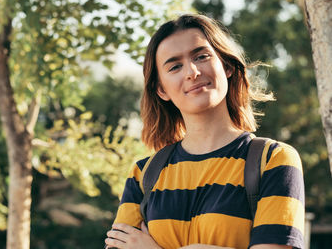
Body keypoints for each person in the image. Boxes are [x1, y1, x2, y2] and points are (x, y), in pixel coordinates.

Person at [104, 14, 305, 249]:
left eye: (201, 56)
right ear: (161, 90)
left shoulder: (273, 160)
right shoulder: (143, 174)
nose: (192, 72)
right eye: (175, 66)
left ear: (227, 66)